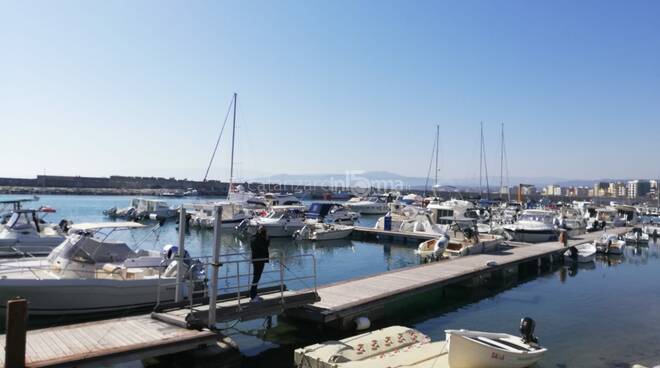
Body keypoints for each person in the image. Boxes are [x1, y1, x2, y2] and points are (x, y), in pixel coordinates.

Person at [250, 225, 270, 301]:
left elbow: (265, 246)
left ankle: (254, 294)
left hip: (257, 259)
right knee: (256, 277)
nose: (264, 231)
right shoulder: (258, 239)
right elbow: (265, 247)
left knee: (256, 277)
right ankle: (253, 295)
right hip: (259, 260)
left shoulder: (254, 237)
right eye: (263, 230)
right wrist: (266, 239)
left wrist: (266, 238)